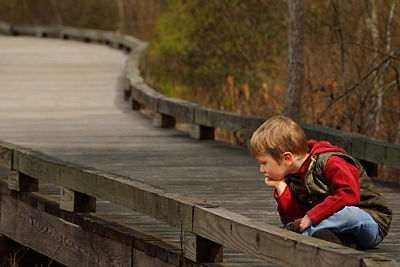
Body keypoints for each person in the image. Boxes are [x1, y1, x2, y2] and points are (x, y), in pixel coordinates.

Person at [249, 115, 392, 249]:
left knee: (348, 213)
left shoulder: (331, 162)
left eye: (264, 163)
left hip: (370, 223)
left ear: (287, 158)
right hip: (337, 231)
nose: (262, 170)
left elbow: (349, 195)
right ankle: (338, 242)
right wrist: (282, 188)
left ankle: (295, 238)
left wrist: (312, 216)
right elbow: (296, 220)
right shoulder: (291, 177)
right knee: (318, 231)